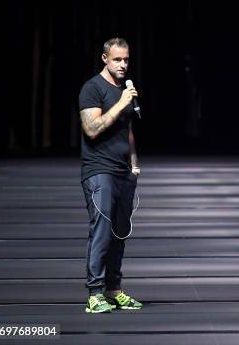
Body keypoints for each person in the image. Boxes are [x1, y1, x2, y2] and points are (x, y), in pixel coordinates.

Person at [78, 37, 144, 313]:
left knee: (119, 233)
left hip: (122, 172)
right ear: (104, 58)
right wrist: (119, 104)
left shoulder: (125, 91)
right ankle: (95, 292)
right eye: (117, 59)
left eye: (126, 59)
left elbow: (127, 132)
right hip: (98, 170)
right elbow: (92, 128)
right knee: (102, 230)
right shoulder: (92, 88)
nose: (123, 64)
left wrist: (134, 163)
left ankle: (114, 289)